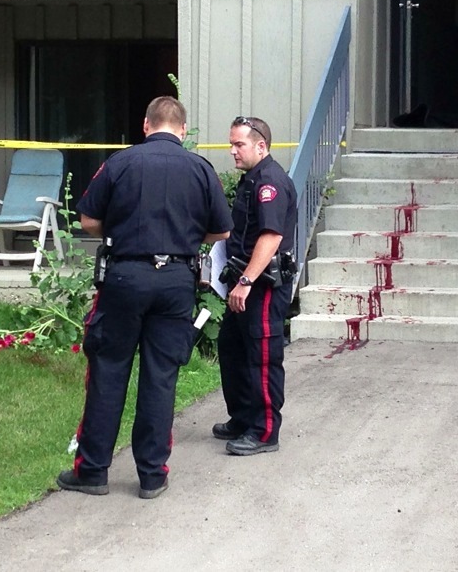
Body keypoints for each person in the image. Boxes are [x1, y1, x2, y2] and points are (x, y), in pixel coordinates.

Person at [57, 96, 231, 499]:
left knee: (108, 370)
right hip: (176, 280)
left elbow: (88, 218)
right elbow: (222, 230)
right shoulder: (201, 169)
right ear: (183, 130)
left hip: (125, 276)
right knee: (161, 376)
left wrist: (123, 232)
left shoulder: (120, 163)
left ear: (146, 125)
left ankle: (93, 471)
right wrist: (187, 237)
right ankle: (152, 475)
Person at [214, 115, 297, 456]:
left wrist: (246, 281)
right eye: (231, 144)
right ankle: (244, 418)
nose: (232, 151)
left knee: (262, 355)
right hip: (244, 280)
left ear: (261, 146)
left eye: (239, 144)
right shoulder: (252, 179)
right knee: (232, 347)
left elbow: (271, 236)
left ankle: (264, 432)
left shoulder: (269, 183)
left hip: (261, 285)